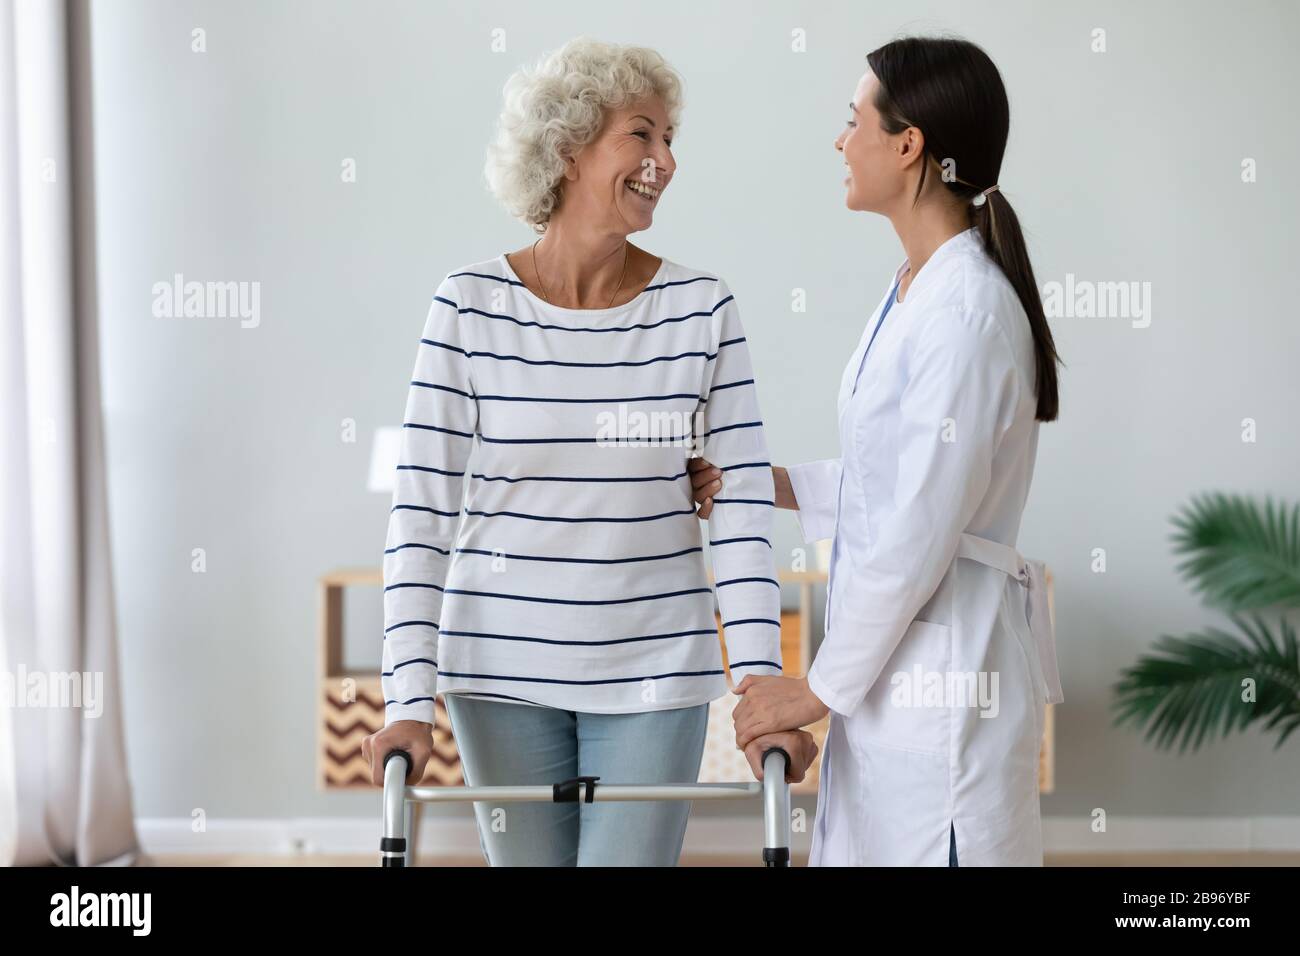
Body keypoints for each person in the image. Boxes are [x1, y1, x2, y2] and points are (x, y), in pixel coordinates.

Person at [361, 37, 815, 867]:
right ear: (568, 148)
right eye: (641, 135)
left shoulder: (700, 308)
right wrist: (406, 699)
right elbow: (420, 511)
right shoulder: (468, 306)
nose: (665, 160)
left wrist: (760, 692)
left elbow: (742, 509)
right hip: (499, 668)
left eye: (671, 138)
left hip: (656, 667)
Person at [691, 35, 1064, 866]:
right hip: (896, 692)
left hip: (941, 700)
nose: (839, 140)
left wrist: (812, 689)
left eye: (851, 118)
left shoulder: (965, 312)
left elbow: (916, 531)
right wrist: (766, 482)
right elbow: (890, 479)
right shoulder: (913, 289)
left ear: (908, 144)